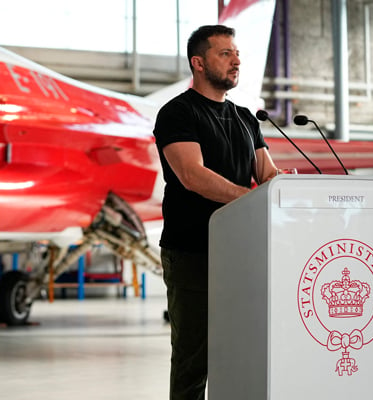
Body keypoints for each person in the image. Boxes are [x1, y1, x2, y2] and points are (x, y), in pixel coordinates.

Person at [152, 25, 278, 400]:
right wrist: (250, 199)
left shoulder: (246, 118)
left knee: (242, 351)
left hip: (242, 253)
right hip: (192, 252)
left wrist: (283, 186)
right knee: (194, 359)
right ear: (199, 63)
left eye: (237, 53)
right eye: (225, 53)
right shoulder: (177, 113)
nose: (236, 60)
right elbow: (193, 176)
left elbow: (266, 174)